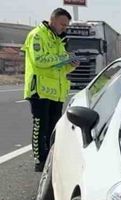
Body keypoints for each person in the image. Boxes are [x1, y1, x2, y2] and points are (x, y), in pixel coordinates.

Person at [23, 8, 79, 172]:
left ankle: (49, 158)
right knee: (40, 125)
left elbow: (59, 69)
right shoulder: (37, 35)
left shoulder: (59, 41)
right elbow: (39, 60)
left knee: (53, 127)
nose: (64, 28)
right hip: (39, 90)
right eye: (62, 24)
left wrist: (71, 65)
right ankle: (39, 160)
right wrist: (64, 58)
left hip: (57, 92)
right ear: (52, 20)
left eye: (66, 25)